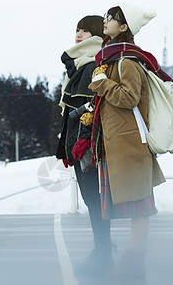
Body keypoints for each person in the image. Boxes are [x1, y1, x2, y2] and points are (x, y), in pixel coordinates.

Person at [88, 4, 171, 281]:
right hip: (117, 144)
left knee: (139, 207)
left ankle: (136, 261)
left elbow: (129, 98)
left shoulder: (127, 61)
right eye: (106, 17)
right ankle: (132, 263)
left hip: (129, 146)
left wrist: (102, 84)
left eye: (110, 19)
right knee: (131, 204)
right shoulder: (111, 58)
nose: (105, 21)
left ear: (124, 27)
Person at [55, 15, 113, 275]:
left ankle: (103, 251)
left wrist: (80, 132)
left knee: (94, 198)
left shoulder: (91, 65)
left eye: (84, 31)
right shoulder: (83, 64)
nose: (78, 35)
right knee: (93, 199)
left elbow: (94, 104)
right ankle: (102, 248)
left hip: (87, 144)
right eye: (76, 30)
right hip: (82, 142)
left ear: (96, 35)